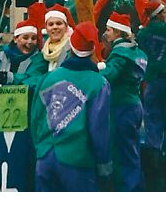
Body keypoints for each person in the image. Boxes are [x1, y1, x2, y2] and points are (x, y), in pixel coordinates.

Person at [30, 22, 113, 191]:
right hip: (77, 162)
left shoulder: (48, 78)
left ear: (71, 47)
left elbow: (36, 119)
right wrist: (104, 167)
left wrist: (41, 149)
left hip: (45, 158)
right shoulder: (99, 83)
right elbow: (99, 130)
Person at [136, 2, 166, 190]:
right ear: (160, 14)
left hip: (152, 80)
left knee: (152, 119)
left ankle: (153, 160)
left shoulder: (143, 33)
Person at [99, 12, 147, 192]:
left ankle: (129, 189)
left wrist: (97, 70)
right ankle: (137, 185)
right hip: (134, 104)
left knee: (123, 152)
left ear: (118, 33)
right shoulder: (137, 51)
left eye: (109, 29)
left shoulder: (119, 53)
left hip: (121, 107)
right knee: (132, 149)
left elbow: (109, 75)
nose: (106, 33)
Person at [0, 19, 41, 86]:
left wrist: (7, 77)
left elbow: (34, 79)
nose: (30, 42)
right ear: (15, 39)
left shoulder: (39, 59)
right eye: (25, 38)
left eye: (33, 38)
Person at [28, 4, 75, 75]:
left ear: (66, 27)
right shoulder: (43, 51)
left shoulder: (73, 49)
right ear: (46, 28)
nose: (55, 27)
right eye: (51, 24)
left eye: (59, 23)